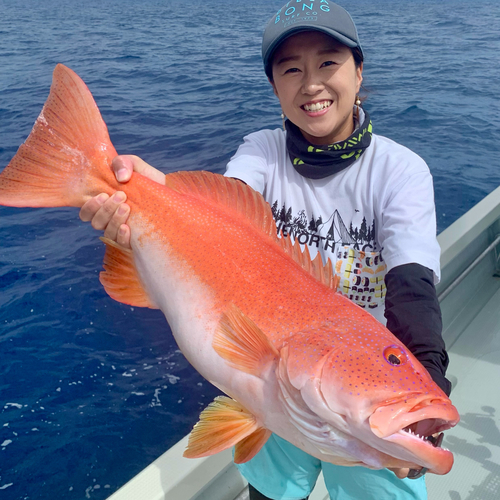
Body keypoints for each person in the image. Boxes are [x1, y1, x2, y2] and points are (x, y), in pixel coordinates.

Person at [80, 2, 451, 499]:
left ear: (359, 72)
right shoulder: (260, 151)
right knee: (271, 492)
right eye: (290, 69)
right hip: (281, 381)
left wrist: (427, 397)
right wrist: (142, 195)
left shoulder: (400, 170)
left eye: (328, 62)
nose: (311, 83)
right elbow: (220, 221)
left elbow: (412, 287)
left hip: (359, 385)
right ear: (274, 87)